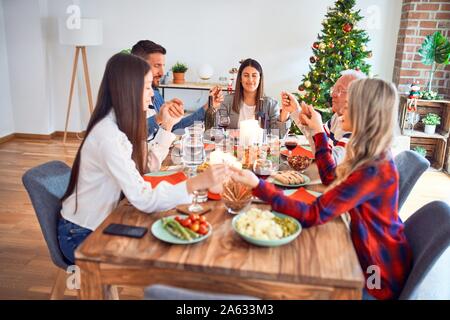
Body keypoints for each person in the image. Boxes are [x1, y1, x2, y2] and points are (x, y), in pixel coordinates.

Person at [231, 78, 412, 300]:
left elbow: (312, 214)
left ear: (363, 112)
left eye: (349, 103)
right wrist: (318, 130)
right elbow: (330, 177)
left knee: (284, 283)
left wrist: (258, 185)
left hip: (376, 277)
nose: (342, 107)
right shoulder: (372, 155)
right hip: (368, 255)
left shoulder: (372, 170)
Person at [58, 53, 227, 264]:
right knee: (173, 249)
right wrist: (197, 183)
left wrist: (167, 126)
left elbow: (145, 167)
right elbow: (144, 199)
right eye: (147, 87)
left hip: (107, 216)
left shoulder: (120, 123)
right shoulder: (108, 136)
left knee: (177, 231)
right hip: (82, 233)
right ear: (128, 89)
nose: (151, 95)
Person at [131, 40, 223, 138]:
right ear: (138, 66)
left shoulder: (155, 95)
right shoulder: (125, 99)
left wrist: (208, 106)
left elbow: (174, 127)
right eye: (157, 66)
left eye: (163, 66)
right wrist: (158, 118)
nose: (162, 73)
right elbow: (131, 134)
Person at [281, 70, 366, 164]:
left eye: (340, 90)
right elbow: (318, 145)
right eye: (334, 89)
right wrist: (295, 110)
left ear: (357, 97)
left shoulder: (357, 129)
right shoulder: (336, 118)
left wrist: (318, 128)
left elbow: (330, 165)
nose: (332, 94)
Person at [218, 58, 290, 136]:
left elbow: (279, 135)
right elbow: (217, 131)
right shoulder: (227, 101)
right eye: (246, 75)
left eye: (254, 75)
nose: (250, 79)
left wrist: (285, 111)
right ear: (240, 79)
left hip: (260, 148)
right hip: (233, 147)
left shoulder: (271, 104)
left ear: (260, 78)